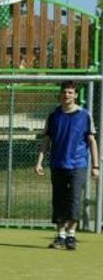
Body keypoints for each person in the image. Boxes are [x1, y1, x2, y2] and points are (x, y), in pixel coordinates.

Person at [35, 81, 100, 249]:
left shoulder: (84, 115)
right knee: (58, 201)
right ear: (60, 94)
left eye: (70, 92)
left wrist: (95, 165)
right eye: (64, 92)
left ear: (76, 95)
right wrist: (39, 161)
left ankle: (71, 235)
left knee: (74, 199)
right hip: (57, 164)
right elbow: (46, 140)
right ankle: (60, 235)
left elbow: (92, 141)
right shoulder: (54, 115)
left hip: (78, 165)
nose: (67, 95)